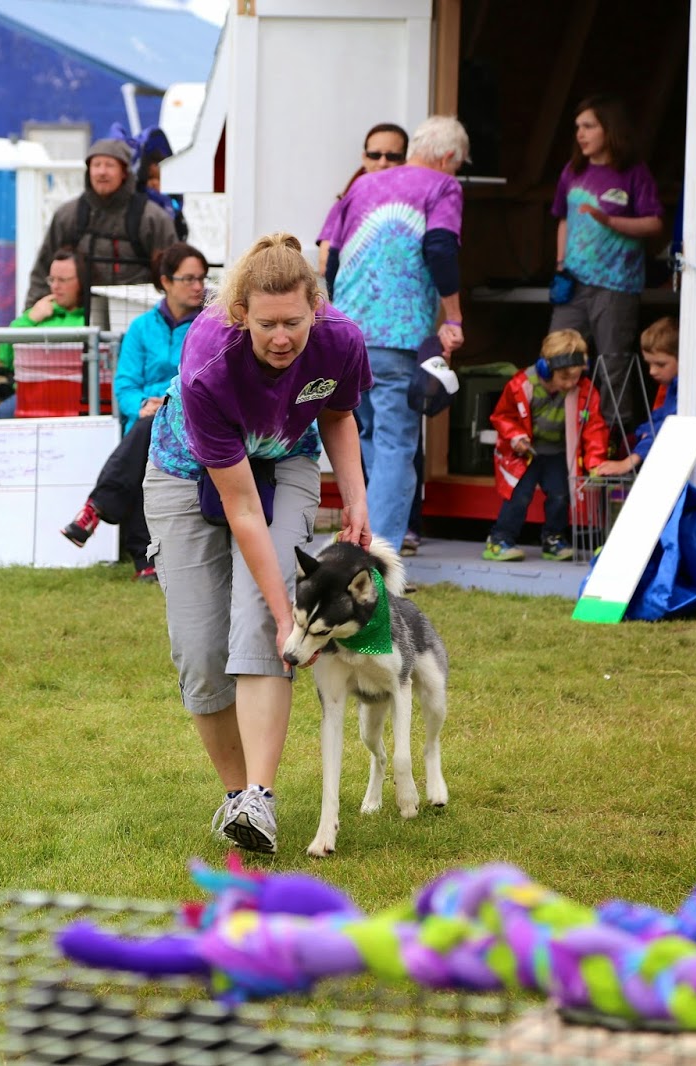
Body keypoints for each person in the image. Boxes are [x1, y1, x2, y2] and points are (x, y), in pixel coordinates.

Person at [142, 233, 372, 854]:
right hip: (185, 472)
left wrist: (355, 496)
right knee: (198, 646)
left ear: (315, 309)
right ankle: (236, 794)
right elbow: (242, 509)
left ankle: (259, 801)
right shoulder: (209, 358)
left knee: (256, 632)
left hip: (287, 461)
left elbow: (338, 414)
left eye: (294, 323)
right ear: (240, 313)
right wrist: (284, 615)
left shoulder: (340, 340)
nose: (281, 338)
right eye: (267, 324)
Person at [328, 115, 470, 552]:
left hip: (348, 335)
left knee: (363, 435)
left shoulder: (360, 188)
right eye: (458, 164)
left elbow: (331, 260)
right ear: (447, 157)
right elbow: (440, 248)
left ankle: (360, 538)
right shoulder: (443, 186)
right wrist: (453, 317)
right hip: (397, 335)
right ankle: (379, 550)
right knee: (396, 445)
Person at [60, 241, 208, 579]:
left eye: (201, 279)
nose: (198, 286)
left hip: (190, 422)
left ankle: (96, 511)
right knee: (146, 433)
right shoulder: (141, 328)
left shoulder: (209, 327)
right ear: (166, 281)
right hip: (146, 422)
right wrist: (143, 405)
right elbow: (124, 386)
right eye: (189, 279)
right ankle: (146, 560)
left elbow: (203, 380)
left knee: (147, 432)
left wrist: (166, 402)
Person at [549, 94, 664, 443]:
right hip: (574, 281)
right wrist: (560, 265)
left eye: (589, 126)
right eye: (577, 128)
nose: (581, 135)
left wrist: (610, 221)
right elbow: (564, 220)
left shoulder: (632, 172)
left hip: (616, 284)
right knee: (559, 354)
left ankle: (612, 438)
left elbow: (655, 224)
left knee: (613, 362)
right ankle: (556, 432)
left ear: (608, 129)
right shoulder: (573, 170)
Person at [484, 329, 609, 562]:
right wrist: (516, 436)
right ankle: (500, 540)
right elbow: (502, 416)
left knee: (560, 495)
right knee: (519, 496)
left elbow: (594, 428)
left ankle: (554, 538)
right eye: (564, 378)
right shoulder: (521, 385)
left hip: (558, 453)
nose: (571, 383)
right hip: (526, 454)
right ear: (545, 368)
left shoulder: (584, 390)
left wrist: (595, 461)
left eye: (576, 376)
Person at [23, 138, 178, 310]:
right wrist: (30, 318)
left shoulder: (152, 218)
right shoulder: (67, 216)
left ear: (124, 172)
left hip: (138, 314)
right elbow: (43, 271)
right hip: (79, 317)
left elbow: (175, 274)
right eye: (96, 165)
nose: (101, 172)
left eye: (109, 165)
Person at [0, 250, 88, 419]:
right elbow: (5, 357)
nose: (55, 286)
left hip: (75, 399)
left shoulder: (92, 318)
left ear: (82, 281)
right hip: (32, 397)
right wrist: (30, 319)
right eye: (52, 279)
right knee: (2, 414)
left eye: (63, 280)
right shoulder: (38, 313)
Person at [316, 123, 408, 292]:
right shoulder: (345, 203)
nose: (382, 162)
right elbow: (325, 261)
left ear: (404, 160)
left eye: (392, 156)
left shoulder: (412, 207)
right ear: (364, 157)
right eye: (375, 155)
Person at [596, 316, 679, 478]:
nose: (652, 371)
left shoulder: (685, 390)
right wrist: (640, 434)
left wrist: (631, 460)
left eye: (660, 364)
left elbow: (667, 426)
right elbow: (658, 418)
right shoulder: (672, 387)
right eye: (649, 364)